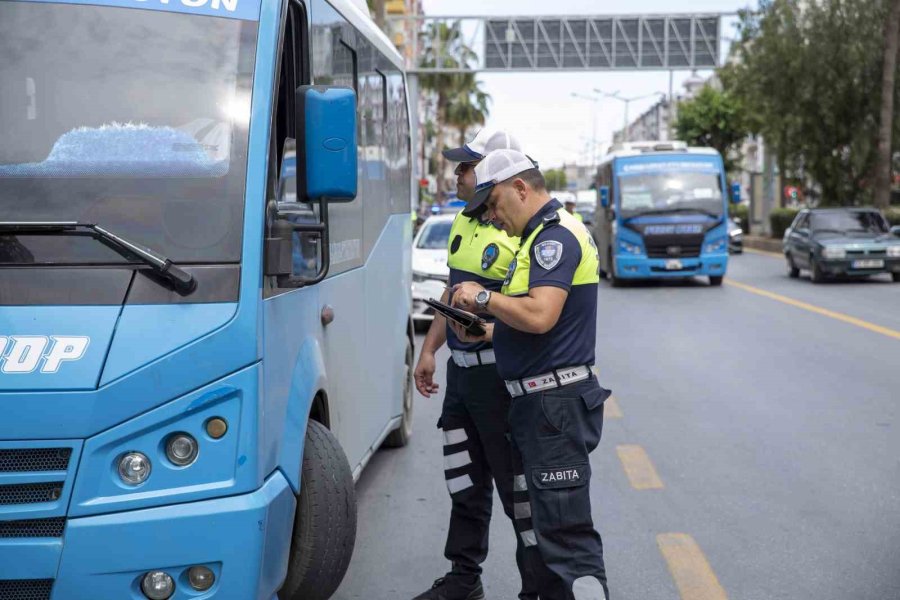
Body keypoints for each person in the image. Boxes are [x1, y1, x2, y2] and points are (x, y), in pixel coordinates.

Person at [450, 149, 610, 600]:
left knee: (567, 543)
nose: (493, 217)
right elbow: (534, 324)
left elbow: (540, 315)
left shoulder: (552, 239)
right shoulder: (534, 239)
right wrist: (491, 331)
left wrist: (483, 298)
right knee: (543, 532)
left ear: (521, 188)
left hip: (552, 408)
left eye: (496, 204)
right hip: (535, 407)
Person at [412, 129, 538, 600]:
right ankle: (464, 579)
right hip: (461, 380)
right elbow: (453, 291)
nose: (457, 175)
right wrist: (430, 350)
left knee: (518, 493)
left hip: (500, 378)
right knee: (463, 481)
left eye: (465, 167)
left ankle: (537, 587)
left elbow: (531, 307)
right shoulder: (461, 223)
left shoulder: (522, 229)